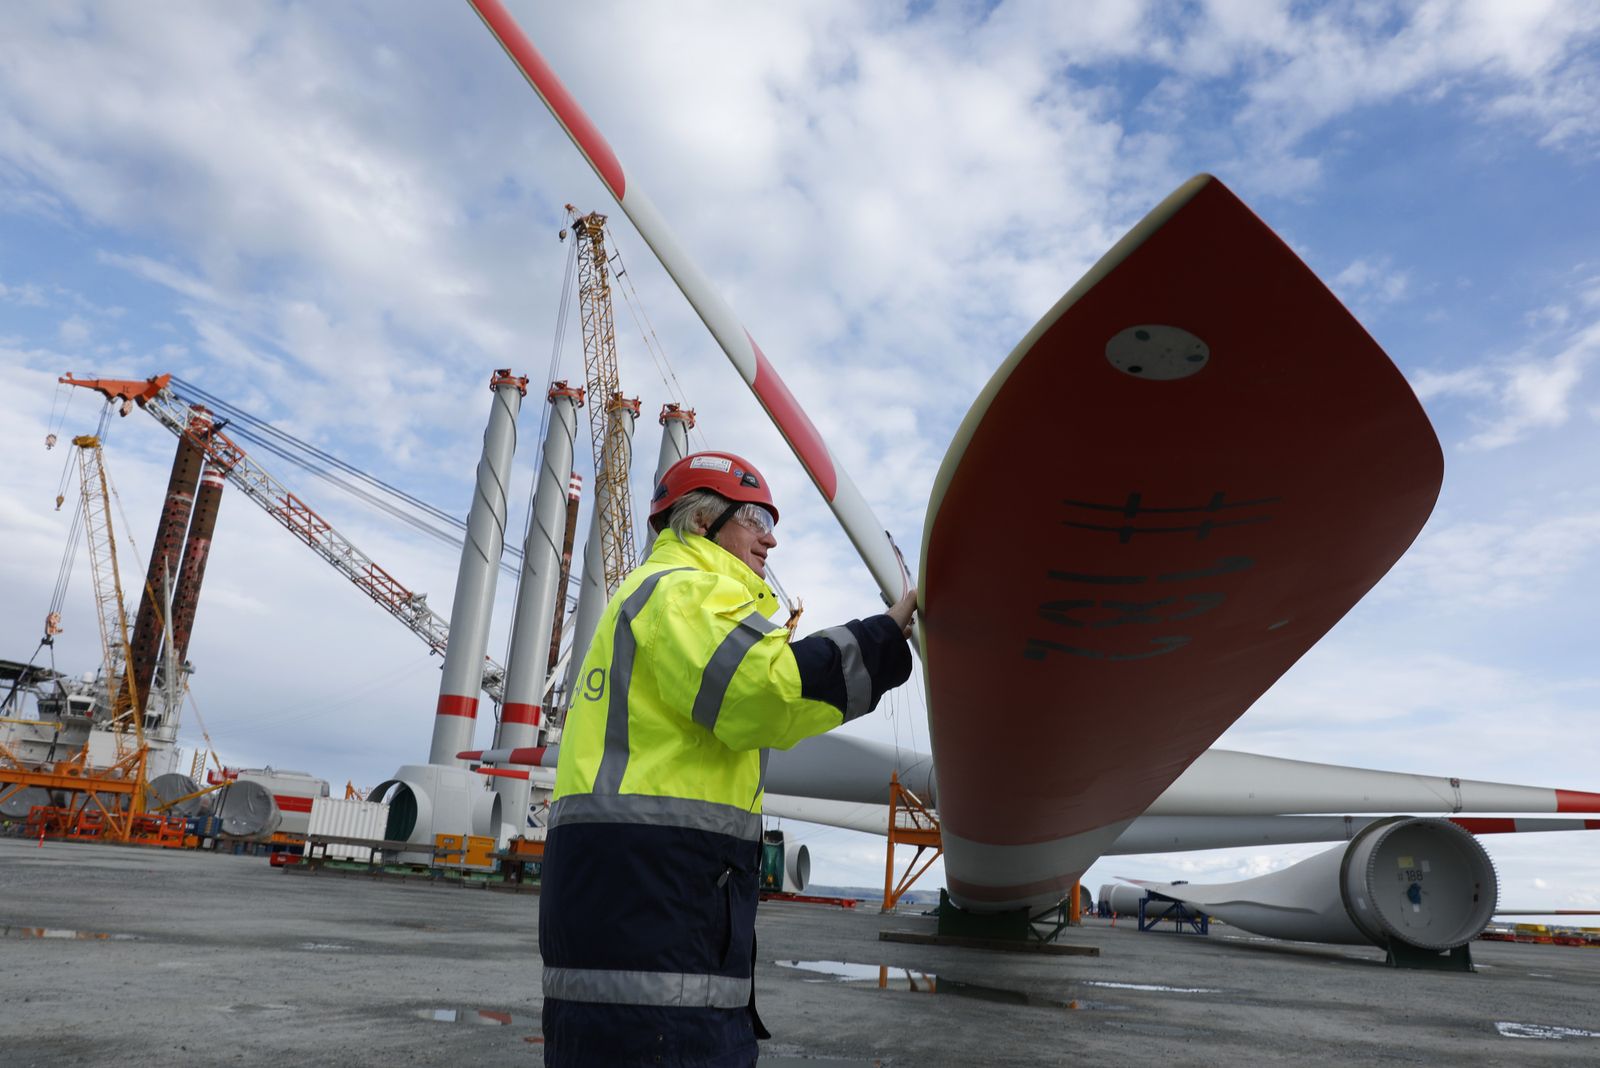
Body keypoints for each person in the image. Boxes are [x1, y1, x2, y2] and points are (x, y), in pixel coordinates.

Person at [539, 451, 917, 1067]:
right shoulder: (685, 592)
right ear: (700, 522)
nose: (771, 538)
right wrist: (882, 638)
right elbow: (764, 691)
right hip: (657, 899)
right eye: (755, 518)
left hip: (629, 903)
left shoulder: (651, 596)